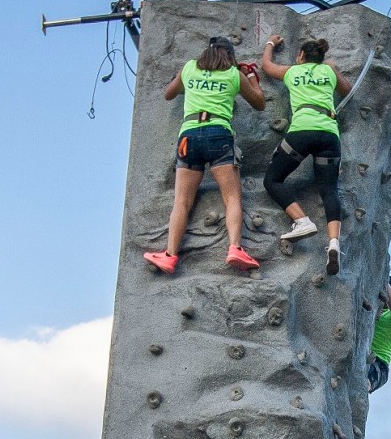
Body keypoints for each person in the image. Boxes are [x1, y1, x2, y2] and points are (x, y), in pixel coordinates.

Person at [144, 36, 266, 274]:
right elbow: (259, 103)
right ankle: (234, 248)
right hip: (219, 133)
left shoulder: (190, 68)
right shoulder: (234, 75)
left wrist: (188, 81)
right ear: (230, 57)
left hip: (189, 136)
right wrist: (250, 74)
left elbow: (169, 94)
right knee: (231, 198)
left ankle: (169, 255)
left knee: (182, 201)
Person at [261, 36, 352, 275]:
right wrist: (333, 69)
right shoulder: (328, 71)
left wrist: (270, 44)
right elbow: (347, 90)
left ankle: (301, 221)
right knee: (329, 189)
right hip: (329, 135)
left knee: (272, 179)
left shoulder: (293, 72)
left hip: (301, 132)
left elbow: (267, 68)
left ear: (301, 56)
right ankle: (333, 243)